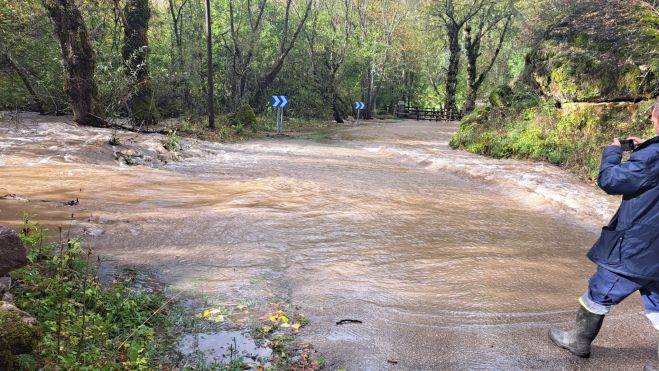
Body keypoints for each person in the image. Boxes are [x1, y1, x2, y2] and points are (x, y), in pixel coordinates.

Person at [549, 98, 659, 371]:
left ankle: (578, 341)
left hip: (640, 246)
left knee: (601, 289)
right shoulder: (651, 153)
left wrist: (612, 152)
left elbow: (610, 180)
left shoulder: (652, 156)